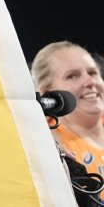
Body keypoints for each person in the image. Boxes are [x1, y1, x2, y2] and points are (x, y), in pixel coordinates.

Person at [32, 41, 104, 180]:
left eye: (92, 72)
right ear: (47, 92)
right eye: (72, 76)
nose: (90, 82)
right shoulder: (47, 145)